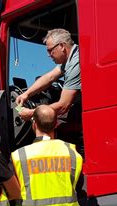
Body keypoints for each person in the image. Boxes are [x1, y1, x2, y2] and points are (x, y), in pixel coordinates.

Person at [11, 105, 83, 206]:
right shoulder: (73, 153)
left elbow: (11, 191)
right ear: (56, 124)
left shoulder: (18, 156)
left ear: (34, 124)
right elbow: (76, 185)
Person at [15, 28, 83, 156]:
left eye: (50, 50)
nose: (48, 55)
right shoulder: (70, 60)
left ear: (62, 46)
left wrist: (33, 113)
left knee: (54, 123)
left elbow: (63, 105)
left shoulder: (76, 62)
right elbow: (50, 77)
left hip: (84, 117)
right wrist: (26, 94)